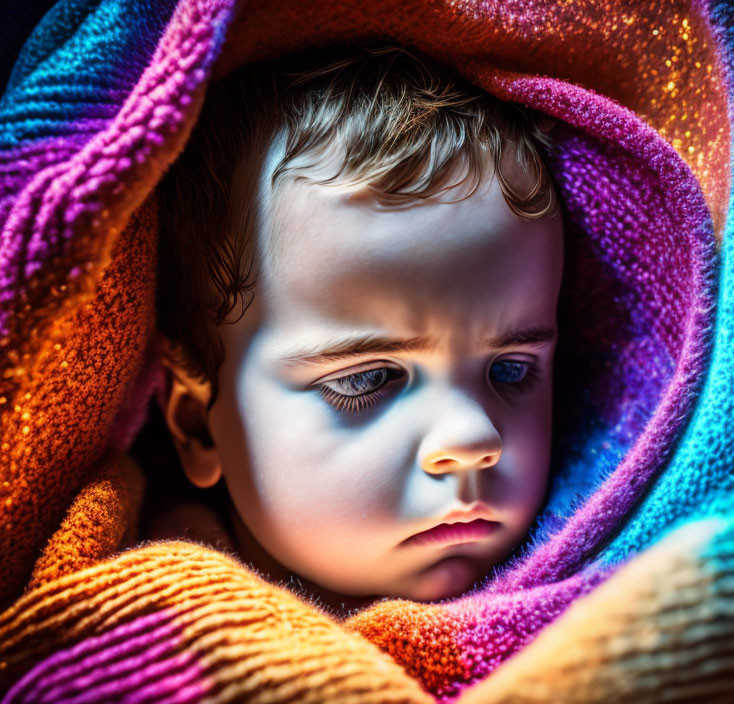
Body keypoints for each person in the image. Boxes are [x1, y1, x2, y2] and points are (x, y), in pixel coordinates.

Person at [152, 40, 565, 617]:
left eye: (511, 369)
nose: (474, 438)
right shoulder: (148, 625)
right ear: (199, 425)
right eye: (366, 379)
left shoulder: (600, 603)